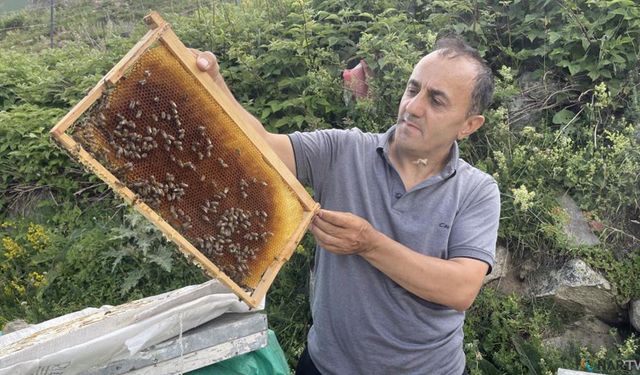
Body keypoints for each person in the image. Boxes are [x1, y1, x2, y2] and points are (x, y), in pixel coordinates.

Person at [194, 35, 500, 375]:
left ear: (469, 126)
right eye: (413, 90)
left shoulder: (477, 190)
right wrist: (213, 83)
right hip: (326, 366)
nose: (413, 107)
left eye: (437, 101)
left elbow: (460, 289)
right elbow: (261, 146)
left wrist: (369, 243)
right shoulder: (342, 151)